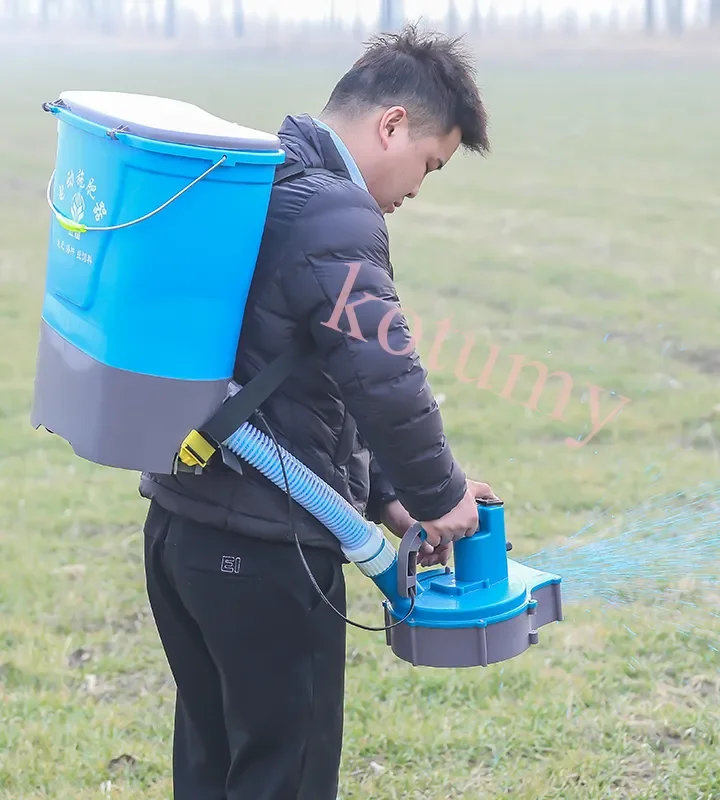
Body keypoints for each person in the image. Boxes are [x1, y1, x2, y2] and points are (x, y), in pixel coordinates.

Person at [139, 23, 496, 800]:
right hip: (266, 554)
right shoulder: (334, 212)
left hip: (181, 534)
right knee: (285, 778)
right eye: (428, 166)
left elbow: (294, 376)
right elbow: (383, 375)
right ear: (392, 124)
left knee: (212, 766)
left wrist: (385, 500)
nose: (414, 191)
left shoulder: (258, 180)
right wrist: (442, 498)